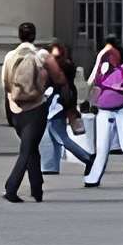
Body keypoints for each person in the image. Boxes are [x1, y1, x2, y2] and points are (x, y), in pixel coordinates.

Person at [83, 38, 123, 189]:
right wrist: (99, 60)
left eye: (111, 52)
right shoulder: (103, 69)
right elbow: (92, 83)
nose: (109, 55)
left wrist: (122, 87)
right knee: (102, 147)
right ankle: (93, 178)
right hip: (104, 110)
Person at [0, 22, 49, 205]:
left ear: (19, 36)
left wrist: (12, 102)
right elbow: (50, 78)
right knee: (27, 150)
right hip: (35, 108)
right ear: (34, 36)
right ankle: (11, 188)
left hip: (16, 108)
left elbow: (5, 83)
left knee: (31, 147)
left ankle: (37, 188)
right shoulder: (40, 55)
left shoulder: (10, 56)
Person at [40, 42, 83, 177]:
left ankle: (88, 158)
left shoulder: (61, 70)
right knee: (51, 137)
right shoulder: (63, 69)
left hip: (56, 105)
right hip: (57, 103)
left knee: (60, 137)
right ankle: (50, 166)